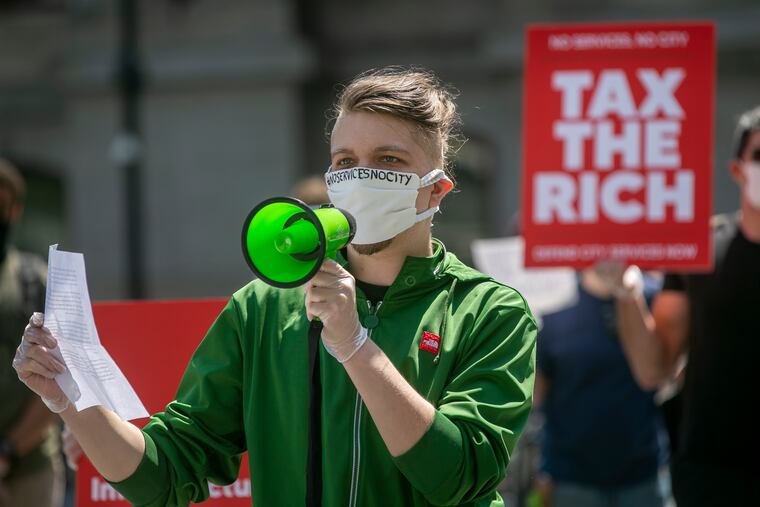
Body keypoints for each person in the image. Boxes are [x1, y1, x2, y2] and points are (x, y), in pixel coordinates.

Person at [12, 67, 538, 506]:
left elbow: (459, 474)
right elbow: (165, 473)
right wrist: (69, 400)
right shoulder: (264, 308)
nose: (361, 177)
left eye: (389, 161)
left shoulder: (489, 311)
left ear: (436, 190)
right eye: (345, 162)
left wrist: (356, 347)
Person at [625, 105, 760, 506]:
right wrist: (626, 292)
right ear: (737, 170)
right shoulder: (699, 248)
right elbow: (655, 368)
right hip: (712, 473)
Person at [533, 262, 667, 507]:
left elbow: (660, 375)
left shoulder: (653, 293)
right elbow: (535, 394)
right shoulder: (556, 301)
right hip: (571, 476)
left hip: (642, 473)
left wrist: (629, 295)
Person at [0, 159, 64, 507]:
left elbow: (61, 374)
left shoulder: (34, 279)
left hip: (32, 466)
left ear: (16, 210)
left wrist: (8, 450)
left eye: (1, 205)